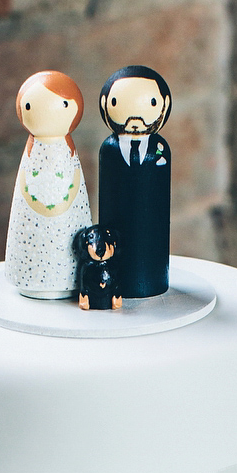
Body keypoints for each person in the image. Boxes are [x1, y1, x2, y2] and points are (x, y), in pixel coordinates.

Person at [4, 70, 92, 298]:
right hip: (26, 264)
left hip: (70, 263)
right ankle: (28, 274)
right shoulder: (32, 154)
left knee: (67, 231)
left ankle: (67, 277)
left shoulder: (67, 154)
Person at [97, 65, 172, 298]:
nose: (135, 116)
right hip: (115, 226)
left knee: (152, 251)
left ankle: (151, 281)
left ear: (164, 105)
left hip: (154, 233)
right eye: (119, 103)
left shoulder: (160, 150)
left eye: (150, 103)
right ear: (105, 105)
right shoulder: (108, 150)